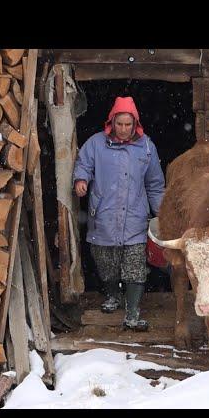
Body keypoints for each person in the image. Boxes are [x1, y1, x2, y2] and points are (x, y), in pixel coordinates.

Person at [73, 96, 165, 331]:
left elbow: (155, 183)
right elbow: (83, 163)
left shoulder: (146, 147)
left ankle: (132, 312)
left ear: (136, 124)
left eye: (128, 125)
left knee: (135, 265)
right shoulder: (95, 143)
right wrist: (81, 180)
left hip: (135, 216)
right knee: (107, 264)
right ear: (111, 122)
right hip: (103, 215)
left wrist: (161, 213)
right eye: (119, 124)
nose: (124, 129)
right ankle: (113, 295)